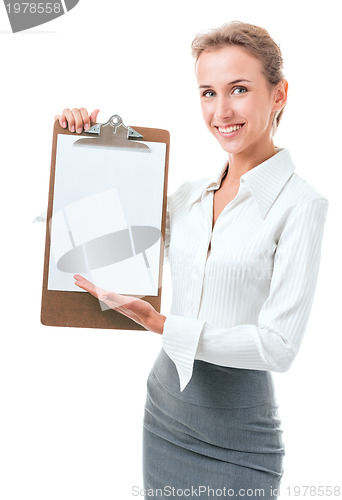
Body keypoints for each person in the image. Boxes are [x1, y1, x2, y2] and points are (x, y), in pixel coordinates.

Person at [55, 21, 329, 499]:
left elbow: (279, 347)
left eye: (239, 90)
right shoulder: (185, 198)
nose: (221, 111)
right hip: (165, 414)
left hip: (240, 437)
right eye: (208, 92)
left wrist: (162, 325)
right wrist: (80, 143)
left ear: (279, 94)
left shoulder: (301, 205)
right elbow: (89, 229)